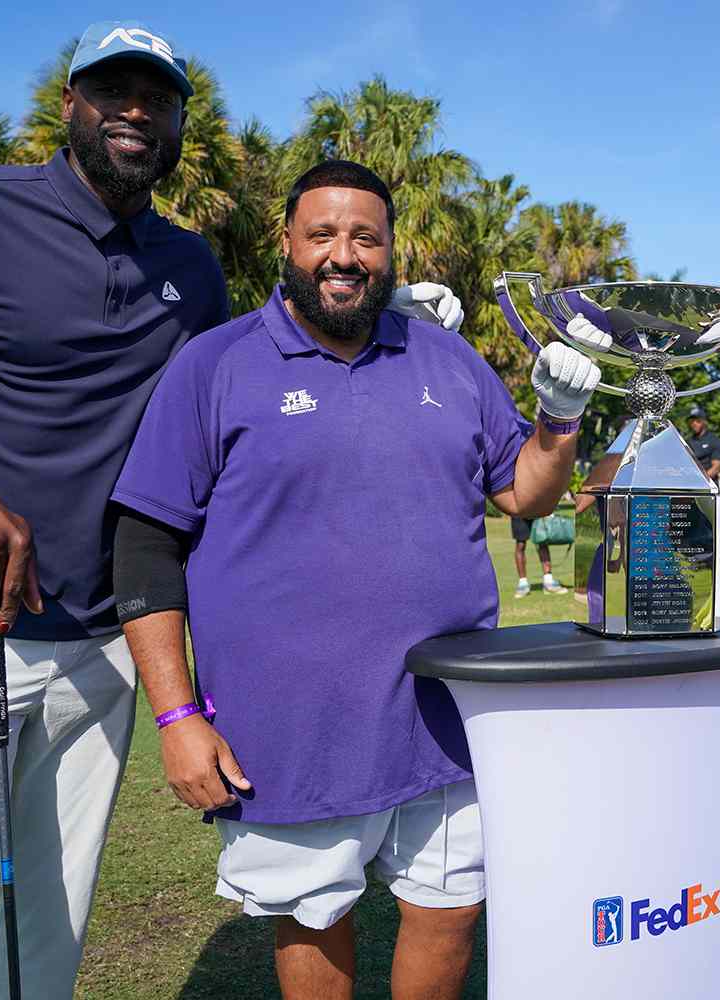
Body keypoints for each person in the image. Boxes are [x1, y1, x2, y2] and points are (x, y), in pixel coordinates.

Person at [0, 23, 462, 999]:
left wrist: (385, 317)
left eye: (158, 98)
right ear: (69, 105)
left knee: (53, 917)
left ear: (174, 127)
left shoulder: (191, 268)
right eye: (112, 89)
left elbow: (245, 397)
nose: (136, 108)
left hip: (100, 646)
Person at [110, 159, 597, 1000]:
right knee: (313, 916)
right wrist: (178, 716)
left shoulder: (446, 360)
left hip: (448, 719)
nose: (345, 254)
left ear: (390, 250)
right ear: (288, 242)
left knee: (450, 910)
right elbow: (147, 544)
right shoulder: (215, 365)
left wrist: (557, 423)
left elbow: (522, 491)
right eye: (324, 234)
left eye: (366, 237)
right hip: (294, 730)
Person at [509, 515, 566, 596]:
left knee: (542, 541)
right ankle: (523, 584)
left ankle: (548, 582)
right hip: (519, 512)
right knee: (520, 544)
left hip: (536, 510)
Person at [684, 404, 720, 483]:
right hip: (690, 487)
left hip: (708, 488)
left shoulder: (714, 441)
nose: (694, 424)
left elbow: (716, 468)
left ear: (704, 422)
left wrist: (699, 481)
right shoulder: (688, 441)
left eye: (698, 421)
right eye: (692, 421)